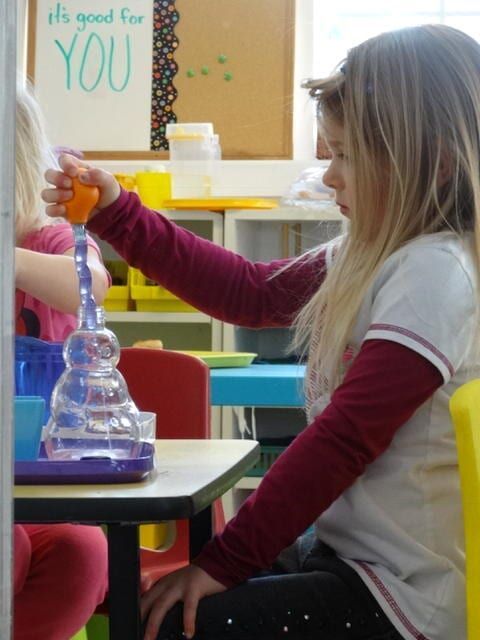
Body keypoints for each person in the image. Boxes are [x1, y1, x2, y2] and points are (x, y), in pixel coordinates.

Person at [42, 23, 479, 640]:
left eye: (348, 157)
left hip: (405, 598)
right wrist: (119, 211)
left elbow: (344, 440)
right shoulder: (378, 253)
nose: (331, 179)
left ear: (433, 163)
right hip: (359, 560)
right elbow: (248, 291)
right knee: (150, 604)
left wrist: (224, 563)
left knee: (168, 623)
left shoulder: (439, 272)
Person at [14, 81, 110, 639]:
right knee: (11, 544)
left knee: (83, 550)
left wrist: (11, 257)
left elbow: (90, 287)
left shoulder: (49, 239)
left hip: (37, 484)